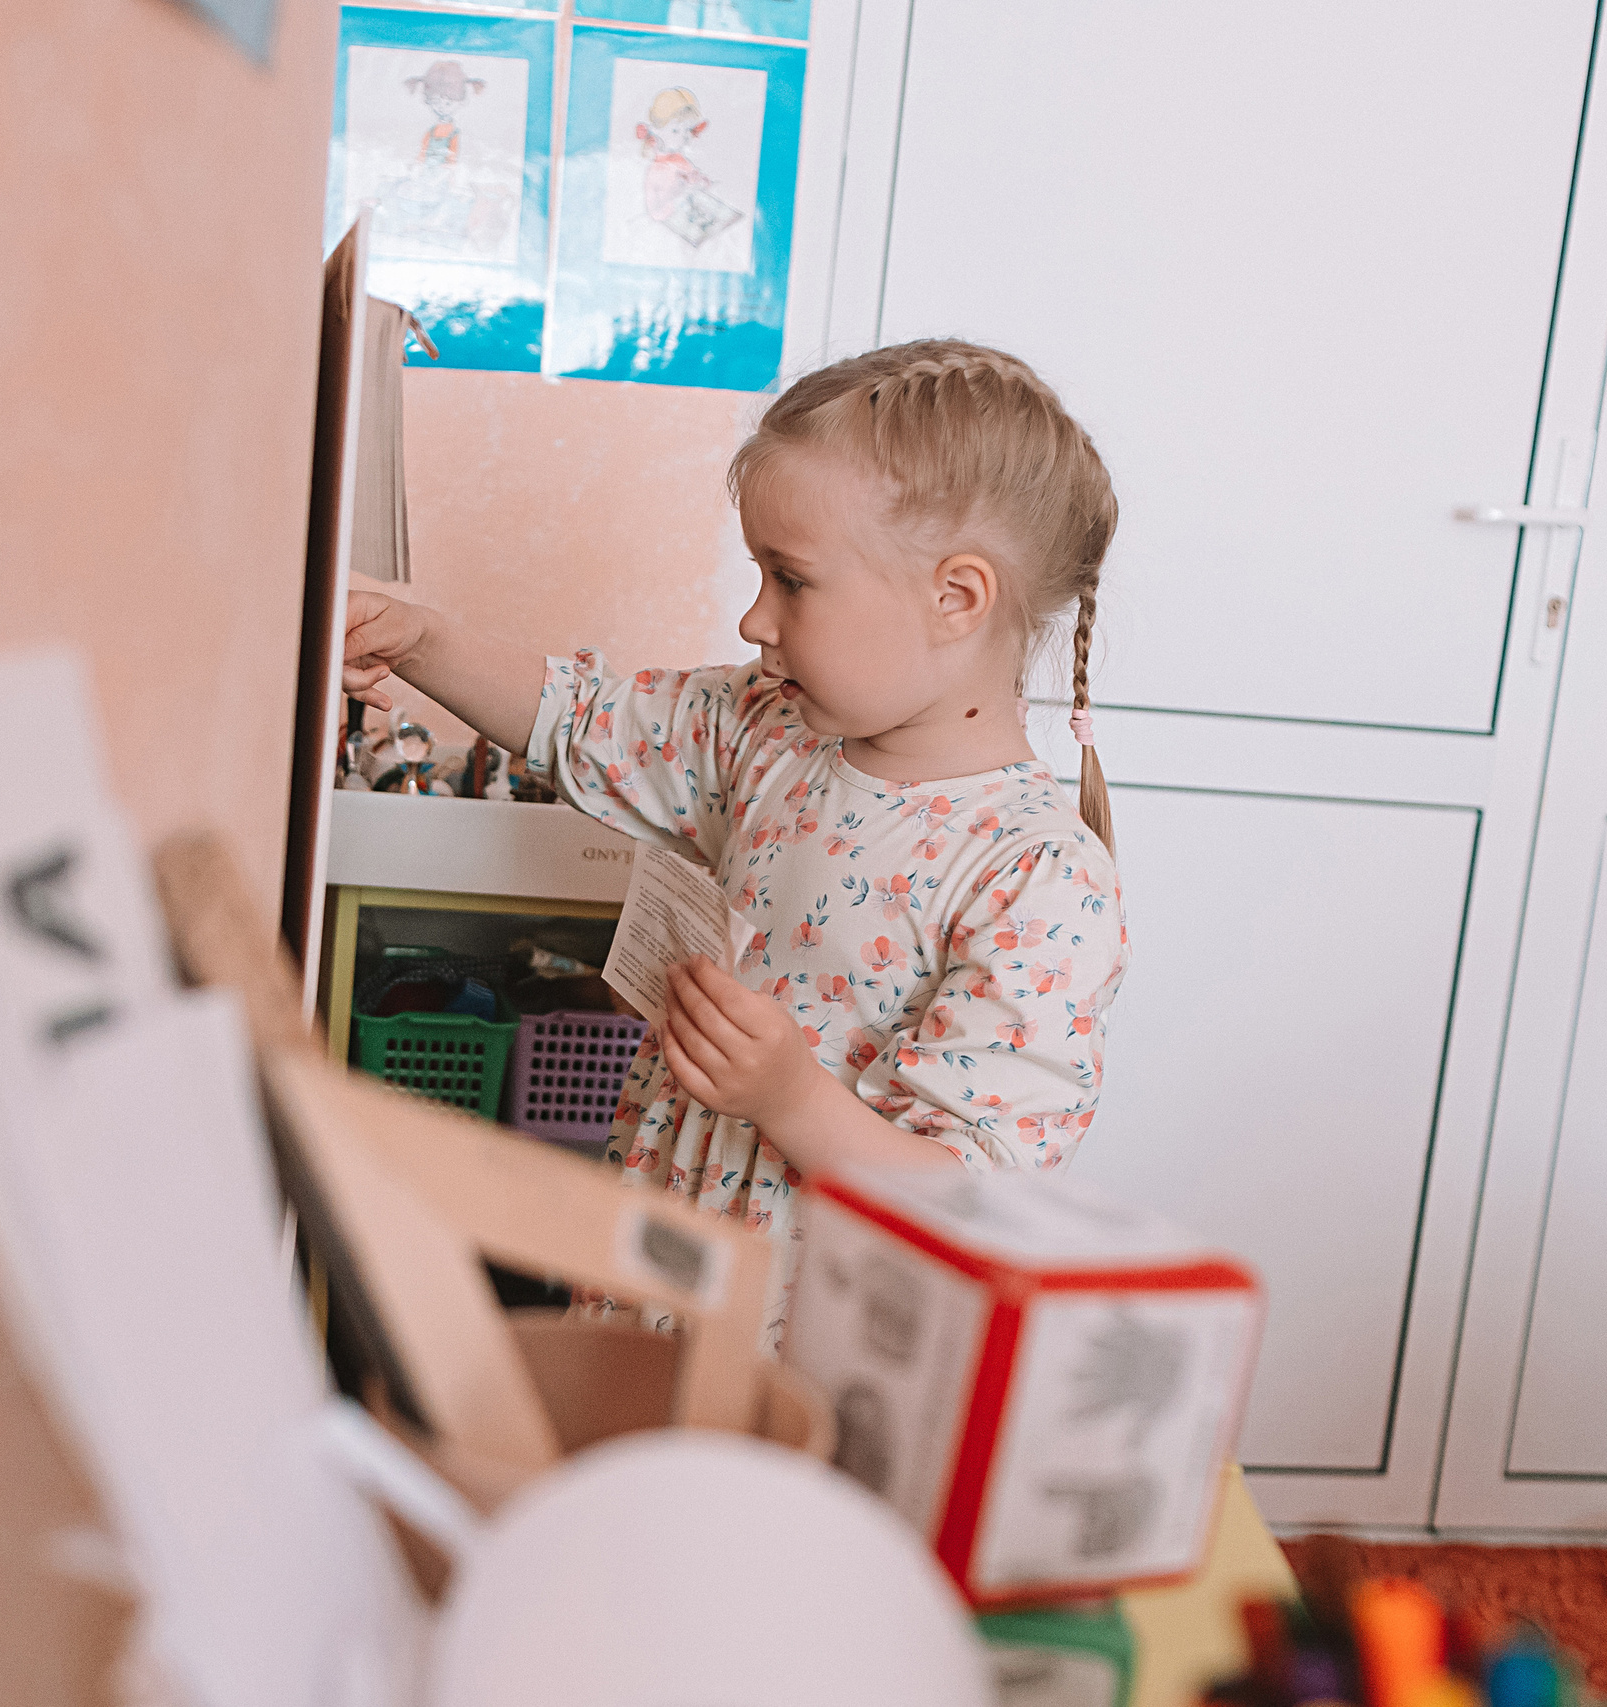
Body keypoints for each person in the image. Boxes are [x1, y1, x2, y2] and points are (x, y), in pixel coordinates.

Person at [340, 340, 1130, 1343]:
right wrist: (421, 641)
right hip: (654, 1290)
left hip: (809, 1357)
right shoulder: (769, 728)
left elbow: (971, 1200)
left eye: (791, 580)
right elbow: (583, 720)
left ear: (955, 597)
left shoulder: (1037, 878)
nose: (754, 618)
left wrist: (788, 1097)